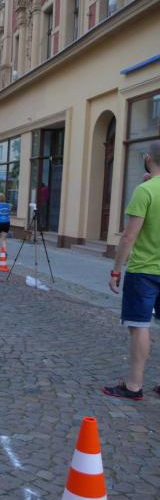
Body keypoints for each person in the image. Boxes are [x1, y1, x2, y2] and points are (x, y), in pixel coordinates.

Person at [103, 141, 160, 401]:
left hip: (144, 270)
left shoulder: (144, 190)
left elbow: (129, 236)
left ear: (148, 158)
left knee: (139, 326)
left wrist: (116, 270)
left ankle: (134, 385)